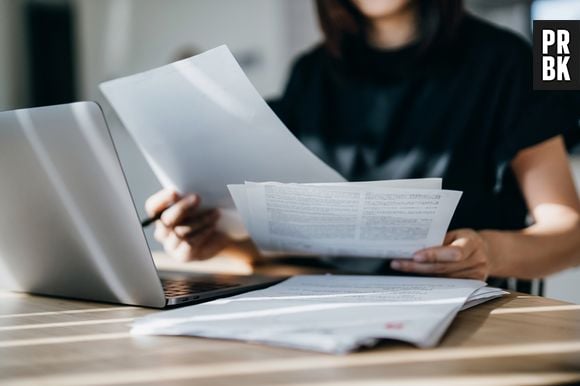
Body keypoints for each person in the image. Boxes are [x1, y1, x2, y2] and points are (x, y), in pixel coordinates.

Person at [145, 0, 580, 283]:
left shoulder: (508, 62)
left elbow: (570, 233)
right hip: (323, 308)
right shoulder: (310, 74)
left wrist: (490, 252)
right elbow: (297, 239)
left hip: (466, 317)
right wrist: (219, 240)